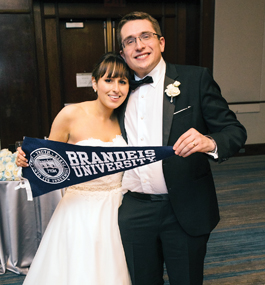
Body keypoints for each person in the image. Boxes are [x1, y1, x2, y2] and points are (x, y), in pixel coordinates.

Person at [115, 11, 247, 285]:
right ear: (123, 52)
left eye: (145, 36)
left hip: (185, 208)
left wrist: (209, 142)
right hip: (134, 211)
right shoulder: (116, 90)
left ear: (161, 42)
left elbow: (235, 132)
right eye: (129, 41)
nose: (138, 45)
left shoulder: (195, 79)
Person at [16, 52, 132, 285]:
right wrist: (26, 160)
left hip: (119, 208)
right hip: (79, 208)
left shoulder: (127, 117)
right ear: (94, 82)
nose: (116, 88)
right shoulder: (70, 115)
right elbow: (48, 160)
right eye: (108, 80)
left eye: (123, 81)